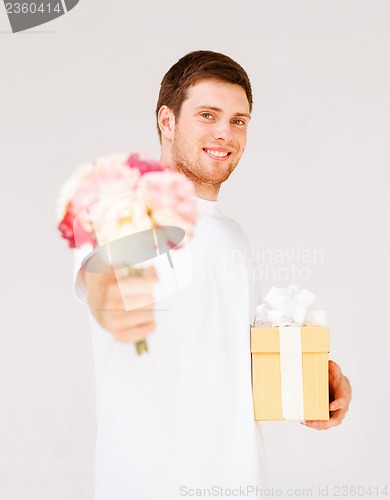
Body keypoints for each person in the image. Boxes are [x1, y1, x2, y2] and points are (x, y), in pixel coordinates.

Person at [74, 50, 352, 500]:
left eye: (239, 121)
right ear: (167, 120)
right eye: (208, 115)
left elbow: (223, 357)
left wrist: (312, 379)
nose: (225, 133)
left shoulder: (233, 236)